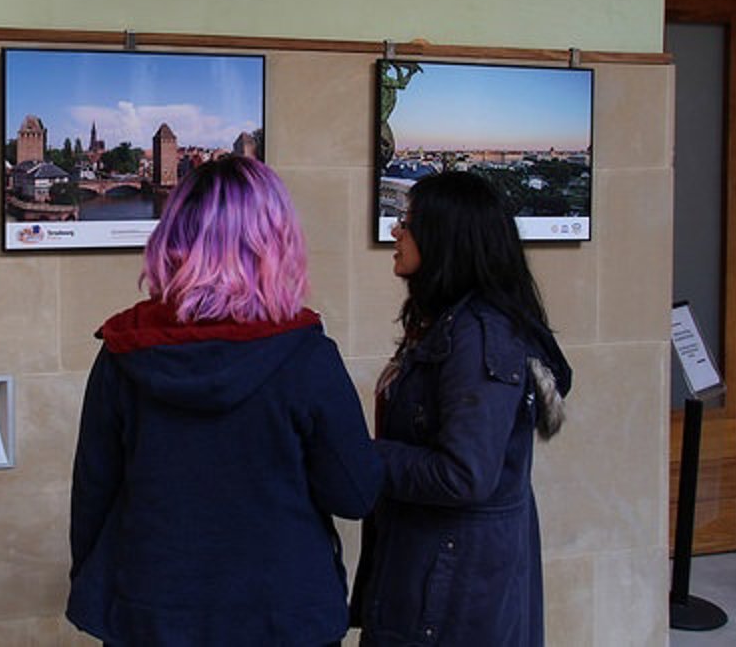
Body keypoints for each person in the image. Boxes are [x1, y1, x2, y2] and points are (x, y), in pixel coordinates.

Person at [67, 156, 383, 646]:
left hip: (150, 613)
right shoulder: (305, 357)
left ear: (172, 240)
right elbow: (354, 494)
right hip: (284, 614)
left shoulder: (124, 351)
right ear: (276, 243)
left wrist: (105, 593)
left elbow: (92, 496)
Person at [350, 170, 573, 646]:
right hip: (439, 570)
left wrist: (365, 456)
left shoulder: (477, 335)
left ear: (446, 237)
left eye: (407, 222)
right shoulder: (454, 321)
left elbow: (464, 474)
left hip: (454, 588)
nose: (396, 230)